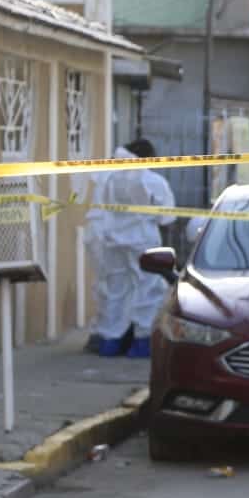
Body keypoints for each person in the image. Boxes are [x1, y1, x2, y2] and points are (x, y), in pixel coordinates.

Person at [84, 138, 177, 357]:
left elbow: (102, 209)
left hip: (113, 242)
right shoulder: (153, 181)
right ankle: (141, 342)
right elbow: (167, 216)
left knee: (116, 290)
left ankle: (110, 341)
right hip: (143, 242)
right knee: (147, 290)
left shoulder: (109, 178)